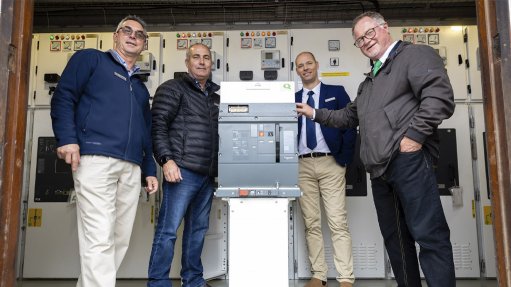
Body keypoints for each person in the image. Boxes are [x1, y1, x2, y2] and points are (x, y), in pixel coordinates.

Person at [296, 11, 456, 287]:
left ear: (384, 28)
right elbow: (347, 116)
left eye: (369, 33)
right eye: (359, 40)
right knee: (396, 240)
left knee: (429, 235)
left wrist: (414, 137)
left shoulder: (414, 55)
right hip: (380, 171)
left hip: (408, 162)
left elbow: (439, 96)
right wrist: (313, 113)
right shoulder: (370, 80)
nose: (366, 41)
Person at [50, 15, 159, 287]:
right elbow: (64, 96)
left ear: (144, 44)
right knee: (98, 237)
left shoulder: (140, 88)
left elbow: (146, 133)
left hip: (131, 167)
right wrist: (67, 138)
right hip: (95, 160)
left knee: (119, 239)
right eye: (127, 30)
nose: (133, 35)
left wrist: (149, 170)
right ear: (115, 35)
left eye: (139, 34)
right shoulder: (91, 60)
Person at [147, 43, 220, 287]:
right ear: (187, 62)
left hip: (207, 175)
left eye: (206, 58)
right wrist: (166, 161)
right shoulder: (172, 88)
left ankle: (193, 280)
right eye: (196, 57)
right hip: (182, 171)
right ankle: (158, 282)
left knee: (197, 232)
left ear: (212, 63)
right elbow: (157, 126)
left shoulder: (216, 96)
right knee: (168, 230)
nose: (201, 62)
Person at [294, 51, 356, 287]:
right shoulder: (293, 97)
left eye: (309, 63)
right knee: (311, 223)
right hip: (302, 165)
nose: (306, 68)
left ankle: (345, 278)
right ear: (297, 70)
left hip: (331, 162)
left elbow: (351, 124)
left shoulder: (336, 92)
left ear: (317, 65)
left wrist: (345, 158)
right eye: (300, 65)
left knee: (337, 222)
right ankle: (319, 275)